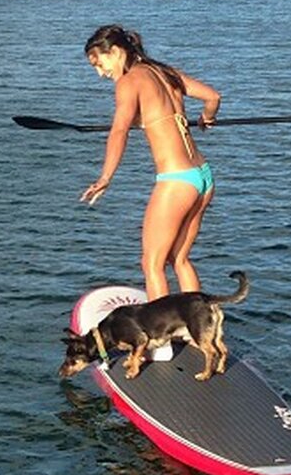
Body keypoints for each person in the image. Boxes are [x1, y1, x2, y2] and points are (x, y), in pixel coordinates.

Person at [81, 24, 221, 301]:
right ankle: (196, 321)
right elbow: (213, 97)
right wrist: (207, 118)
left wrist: (105, 177)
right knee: (179, 258)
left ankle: (160, 327)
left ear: (116, 52)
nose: (100, 73)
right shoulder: (165, 72)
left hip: (177, 181)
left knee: (152, 264)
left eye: (99, 64)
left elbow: (119, 131)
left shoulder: (129, 82)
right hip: (203, 176)